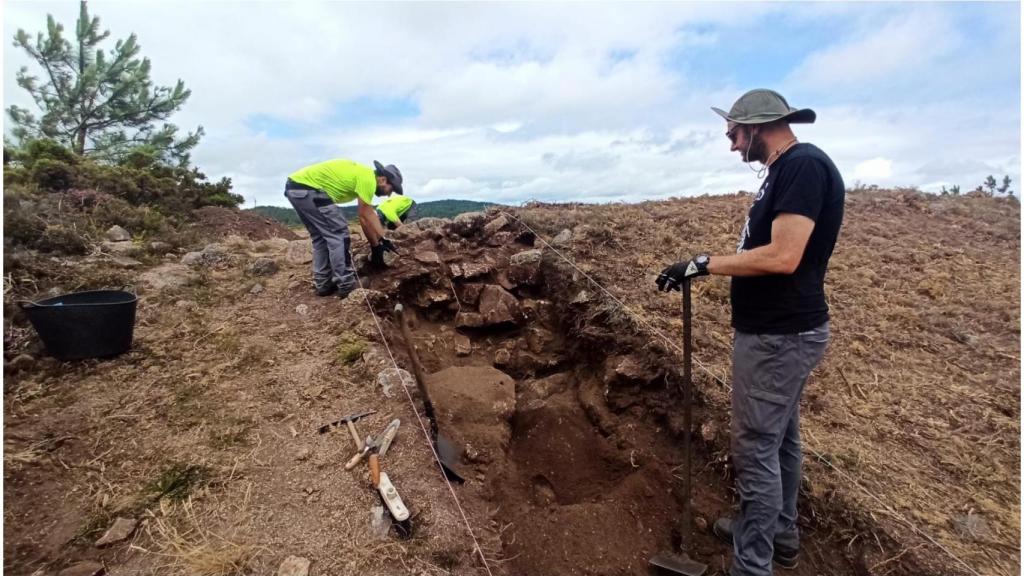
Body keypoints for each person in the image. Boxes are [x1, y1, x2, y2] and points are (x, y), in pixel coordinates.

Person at [655, 89, 845, 576]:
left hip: (778, 337)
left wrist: (703, 265)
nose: (733, 145)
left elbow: (784, 257)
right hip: (780, 333)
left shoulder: (802, 167)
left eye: (734, 134)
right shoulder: (786, 170)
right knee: (780, 441)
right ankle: (778, 534)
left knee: (757, 447)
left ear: (757, 127)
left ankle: (752, 566)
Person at [284, 159, 403, 298]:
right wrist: (384, 238)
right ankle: (347, 285)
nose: (389, 194)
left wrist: (376, 244)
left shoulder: (362, 173)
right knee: (339, 235)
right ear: (383, 180)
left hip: (295, 188)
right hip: (310, 190)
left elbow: (364, 219)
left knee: (320, 238)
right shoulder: (368, 179)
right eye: (391, 188)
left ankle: (323, 285)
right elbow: (366, 213)